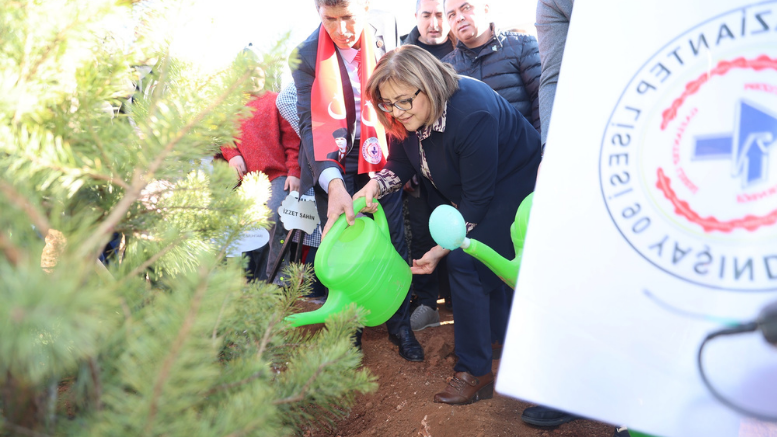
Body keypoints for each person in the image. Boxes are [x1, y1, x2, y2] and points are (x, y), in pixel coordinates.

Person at [356, 45, 540, 404]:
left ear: (427, 85)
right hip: (470, 186)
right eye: (386, 104)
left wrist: (441, 249)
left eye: (403, 102)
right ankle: (499, 336)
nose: (395, 111)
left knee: (467, 260)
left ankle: (475, 371)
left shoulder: (472, 113)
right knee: (481, 258)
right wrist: (374, 186)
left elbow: (476, 201)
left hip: (511, 179)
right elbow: (401, 163)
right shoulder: (403, 113)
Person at [291, 0, 423, 361]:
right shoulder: (304, 55)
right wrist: (333, 184)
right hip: (333, 159)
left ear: (366, 7)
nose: (341, 29)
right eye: (329, 19)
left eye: (348, 17)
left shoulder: (388, 27)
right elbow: (309, 124)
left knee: (392, 237)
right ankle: (350, 334)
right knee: (343, 246)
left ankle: (401, 327)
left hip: (380, 151)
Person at [401, 0, 456, 332]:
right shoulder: (400, 56)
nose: (434, 22)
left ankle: (456, 301)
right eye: (427, 15)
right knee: (424, 233)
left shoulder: (462, 51)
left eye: (440, 15)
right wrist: (404, 166)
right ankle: (426, 303)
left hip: (460, 165)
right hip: (421, 171)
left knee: (464, 228)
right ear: (416, 17)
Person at [221, 66, 301, 282]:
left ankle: (277, 279)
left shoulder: (276, 101)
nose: (252, 79)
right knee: (240, 225)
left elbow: (292, 142)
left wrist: (294, 171)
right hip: (245, 180)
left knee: (276, 215)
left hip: (277, 174)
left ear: (265, 74)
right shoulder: (232, 108)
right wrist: (232, 155)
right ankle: (239, 282)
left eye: (257, 73)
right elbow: (225, 138)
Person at [442, 0, 542, 134]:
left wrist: (543, 147)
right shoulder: (445, 69)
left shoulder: (522, 45)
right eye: (451, 15)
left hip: (528, 151)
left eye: (466, 8)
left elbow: (542, 98)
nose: (459, 18)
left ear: (486, 9)